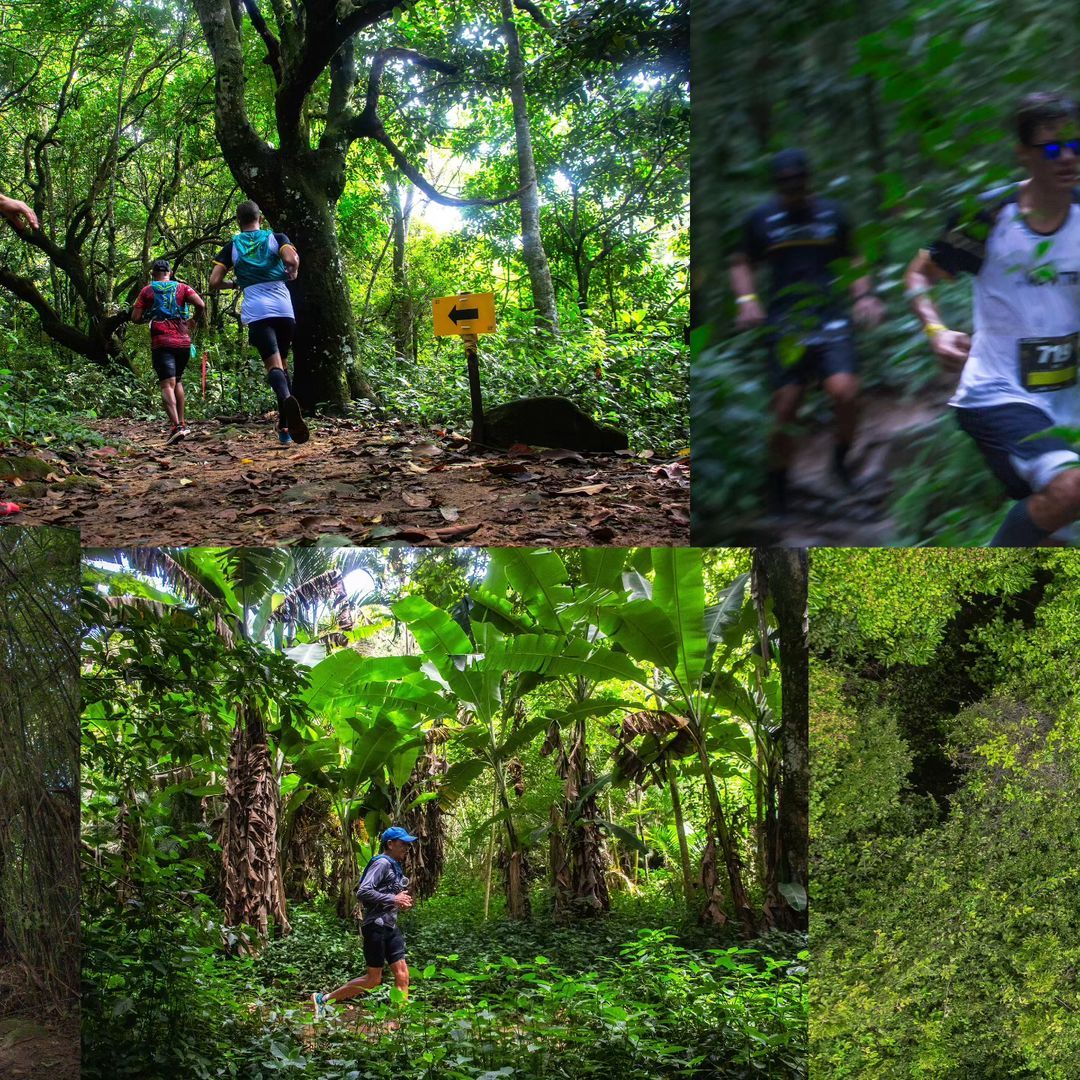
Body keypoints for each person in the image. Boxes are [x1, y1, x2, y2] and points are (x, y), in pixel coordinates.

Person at [905, 91, 1080, 546]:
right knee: (1070, 489)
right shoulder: (986, 217)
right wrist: (936, 330)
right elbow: (919, 274)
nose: (1067, 157)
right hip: (997, 392)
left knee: (1054, 530)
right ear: (1023, 154)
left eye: (1075, 145)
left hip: (1066, 402)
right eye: (1051, 148)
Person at [731, 149, 885, 513]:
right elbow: (741, 261)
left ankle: (840, 462)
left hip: (830, 313)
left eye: (797, 181)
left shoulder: (833, 214)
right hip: (786, 320)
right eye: (785, 183)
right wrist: (747, 300)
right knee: (786, 406)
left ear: (808, 180)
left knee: (845, 391)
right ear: (776, 184)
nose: (792, 188)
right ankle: (778, 487)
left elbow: (855, 256)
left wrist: (863, 295)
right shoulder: (762, 219)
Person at [209, 201, 308, 445]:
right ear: (260, 219)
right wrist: (293, 271)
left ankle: (287, 403)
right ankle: (285, 428)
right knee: (283, 365)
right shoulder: (277, 238)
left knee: (273, 367)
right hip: (284, 309)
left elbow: (214, 281)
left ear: (238, 222)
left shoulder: (233, 246)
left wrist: (235, 284)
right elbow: (291, 259)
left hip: (257, 310)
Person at [311, 826, 417, 1020]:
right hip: (375, 926)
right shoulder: (382, 863)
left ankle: (397, 1024)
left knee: (402, 975)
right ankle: (323, 999)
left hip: (390, 926)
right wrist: (393, 899)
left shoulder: (394, 866)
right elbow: (363, 891)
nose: (406, 848)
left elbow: (386, 896)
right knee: (373, 979)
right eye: (403, 843)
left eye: (407, 845)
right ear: (390, 844)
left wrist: (399, 902)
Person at [130, 258, 206, 444]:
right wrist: (193, 320)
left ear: (153, 274)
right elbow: (201, 305)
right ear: (170, 273)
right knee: (177, 380)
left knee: (166, 384)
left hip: (162, 342)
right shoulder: (183, 288)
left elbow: (135, 318)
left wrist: (150, 315)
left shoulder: (147, 291)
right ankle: (182, 423)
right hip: (183, 342)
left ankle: (176, 427)